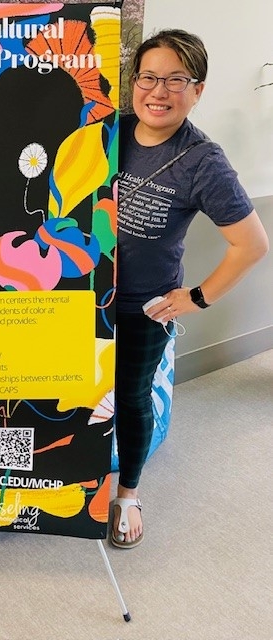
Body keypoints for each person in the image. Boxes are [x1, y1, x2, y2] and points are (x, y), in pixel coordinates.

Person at [114, 29, 268, 548]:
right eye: (149, 78)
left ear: (198, 91)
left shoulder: (203, 159)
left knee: (132, 400)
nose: (159, 92)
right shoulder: (108, 131)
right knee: (73, 391)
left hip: (144, 309)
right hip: (80, 297)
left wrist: (194, 298)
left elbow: (251, 245)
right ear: (133, 84)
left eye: (176, 80)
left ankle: (127, 494)